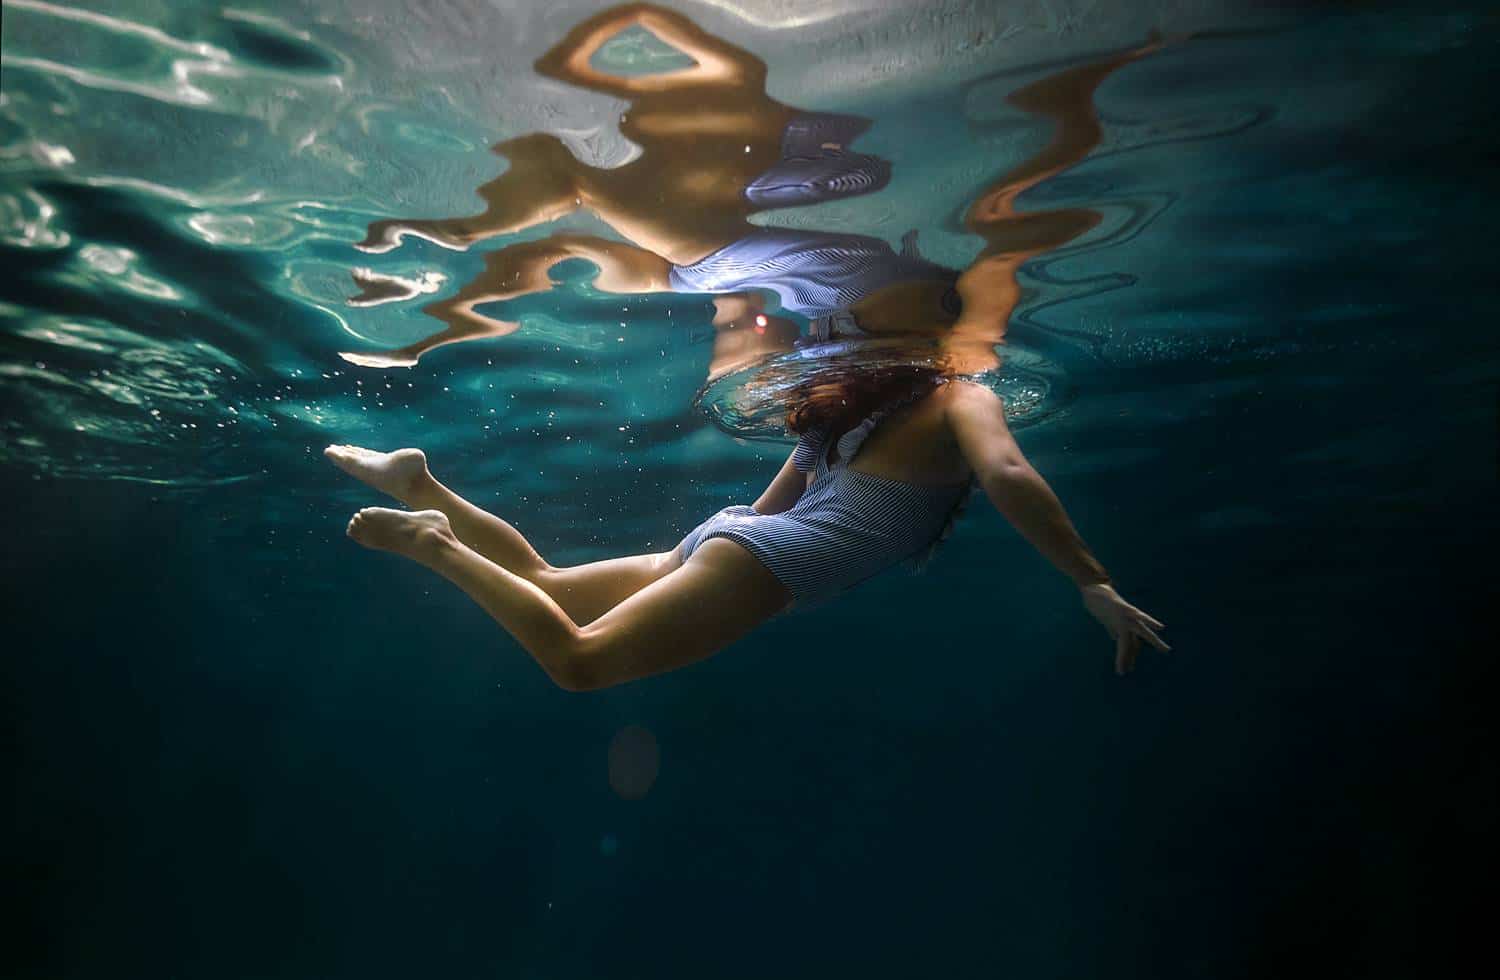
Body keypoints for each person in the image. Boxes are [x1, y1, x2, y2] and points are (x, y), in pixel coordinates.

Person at [325, 361, 1168, 690]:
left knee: (545, 584)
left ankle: (419, 479)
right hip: (773, 562)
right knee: (578, 664)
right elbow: (1011, 473)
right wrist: (1090, 579)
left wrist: (715, 564)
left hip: (742, 538)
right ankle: (433, 544)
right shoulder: (961, 398)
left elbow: (762, 513)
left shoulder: (857, 408)